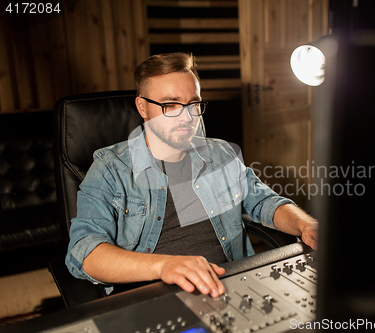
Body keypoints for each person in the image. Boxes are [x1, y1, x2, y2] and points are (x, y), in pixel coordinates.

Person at [66, 52, 318, 298]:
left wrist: (305, 224)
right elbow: (84, 252)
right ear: (142, 107)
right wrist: (164, 266)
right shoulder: (110, 167)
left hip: (232, 286)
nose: (187, 117)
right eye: (170, 104)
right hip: (153, 298)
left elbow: (264, 202)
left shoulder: (221, 154)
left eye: (193, 104)